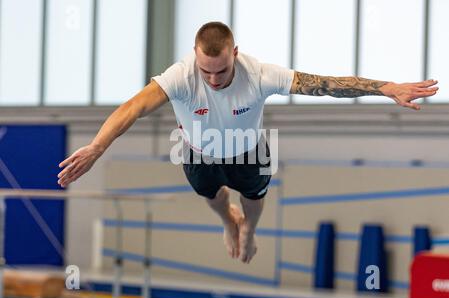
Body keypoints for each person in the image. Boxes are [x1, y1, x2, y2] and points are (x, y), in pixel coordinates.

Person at [57, 21, 439, 264]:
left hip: (249, 150)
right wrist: (97, 147)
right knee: (214, 199)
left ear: (234, 54)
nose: (213, 79)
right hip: (198, 152)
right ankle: (228, 222)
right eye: (205, 71)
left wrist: (384, 87)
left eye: (221, 70)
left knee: (253, 205)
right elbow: (133, 108)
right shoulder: (181, 76)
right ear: (195, 58)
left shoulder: (258, 74)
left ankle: (248, 230)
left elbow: (323, 84)